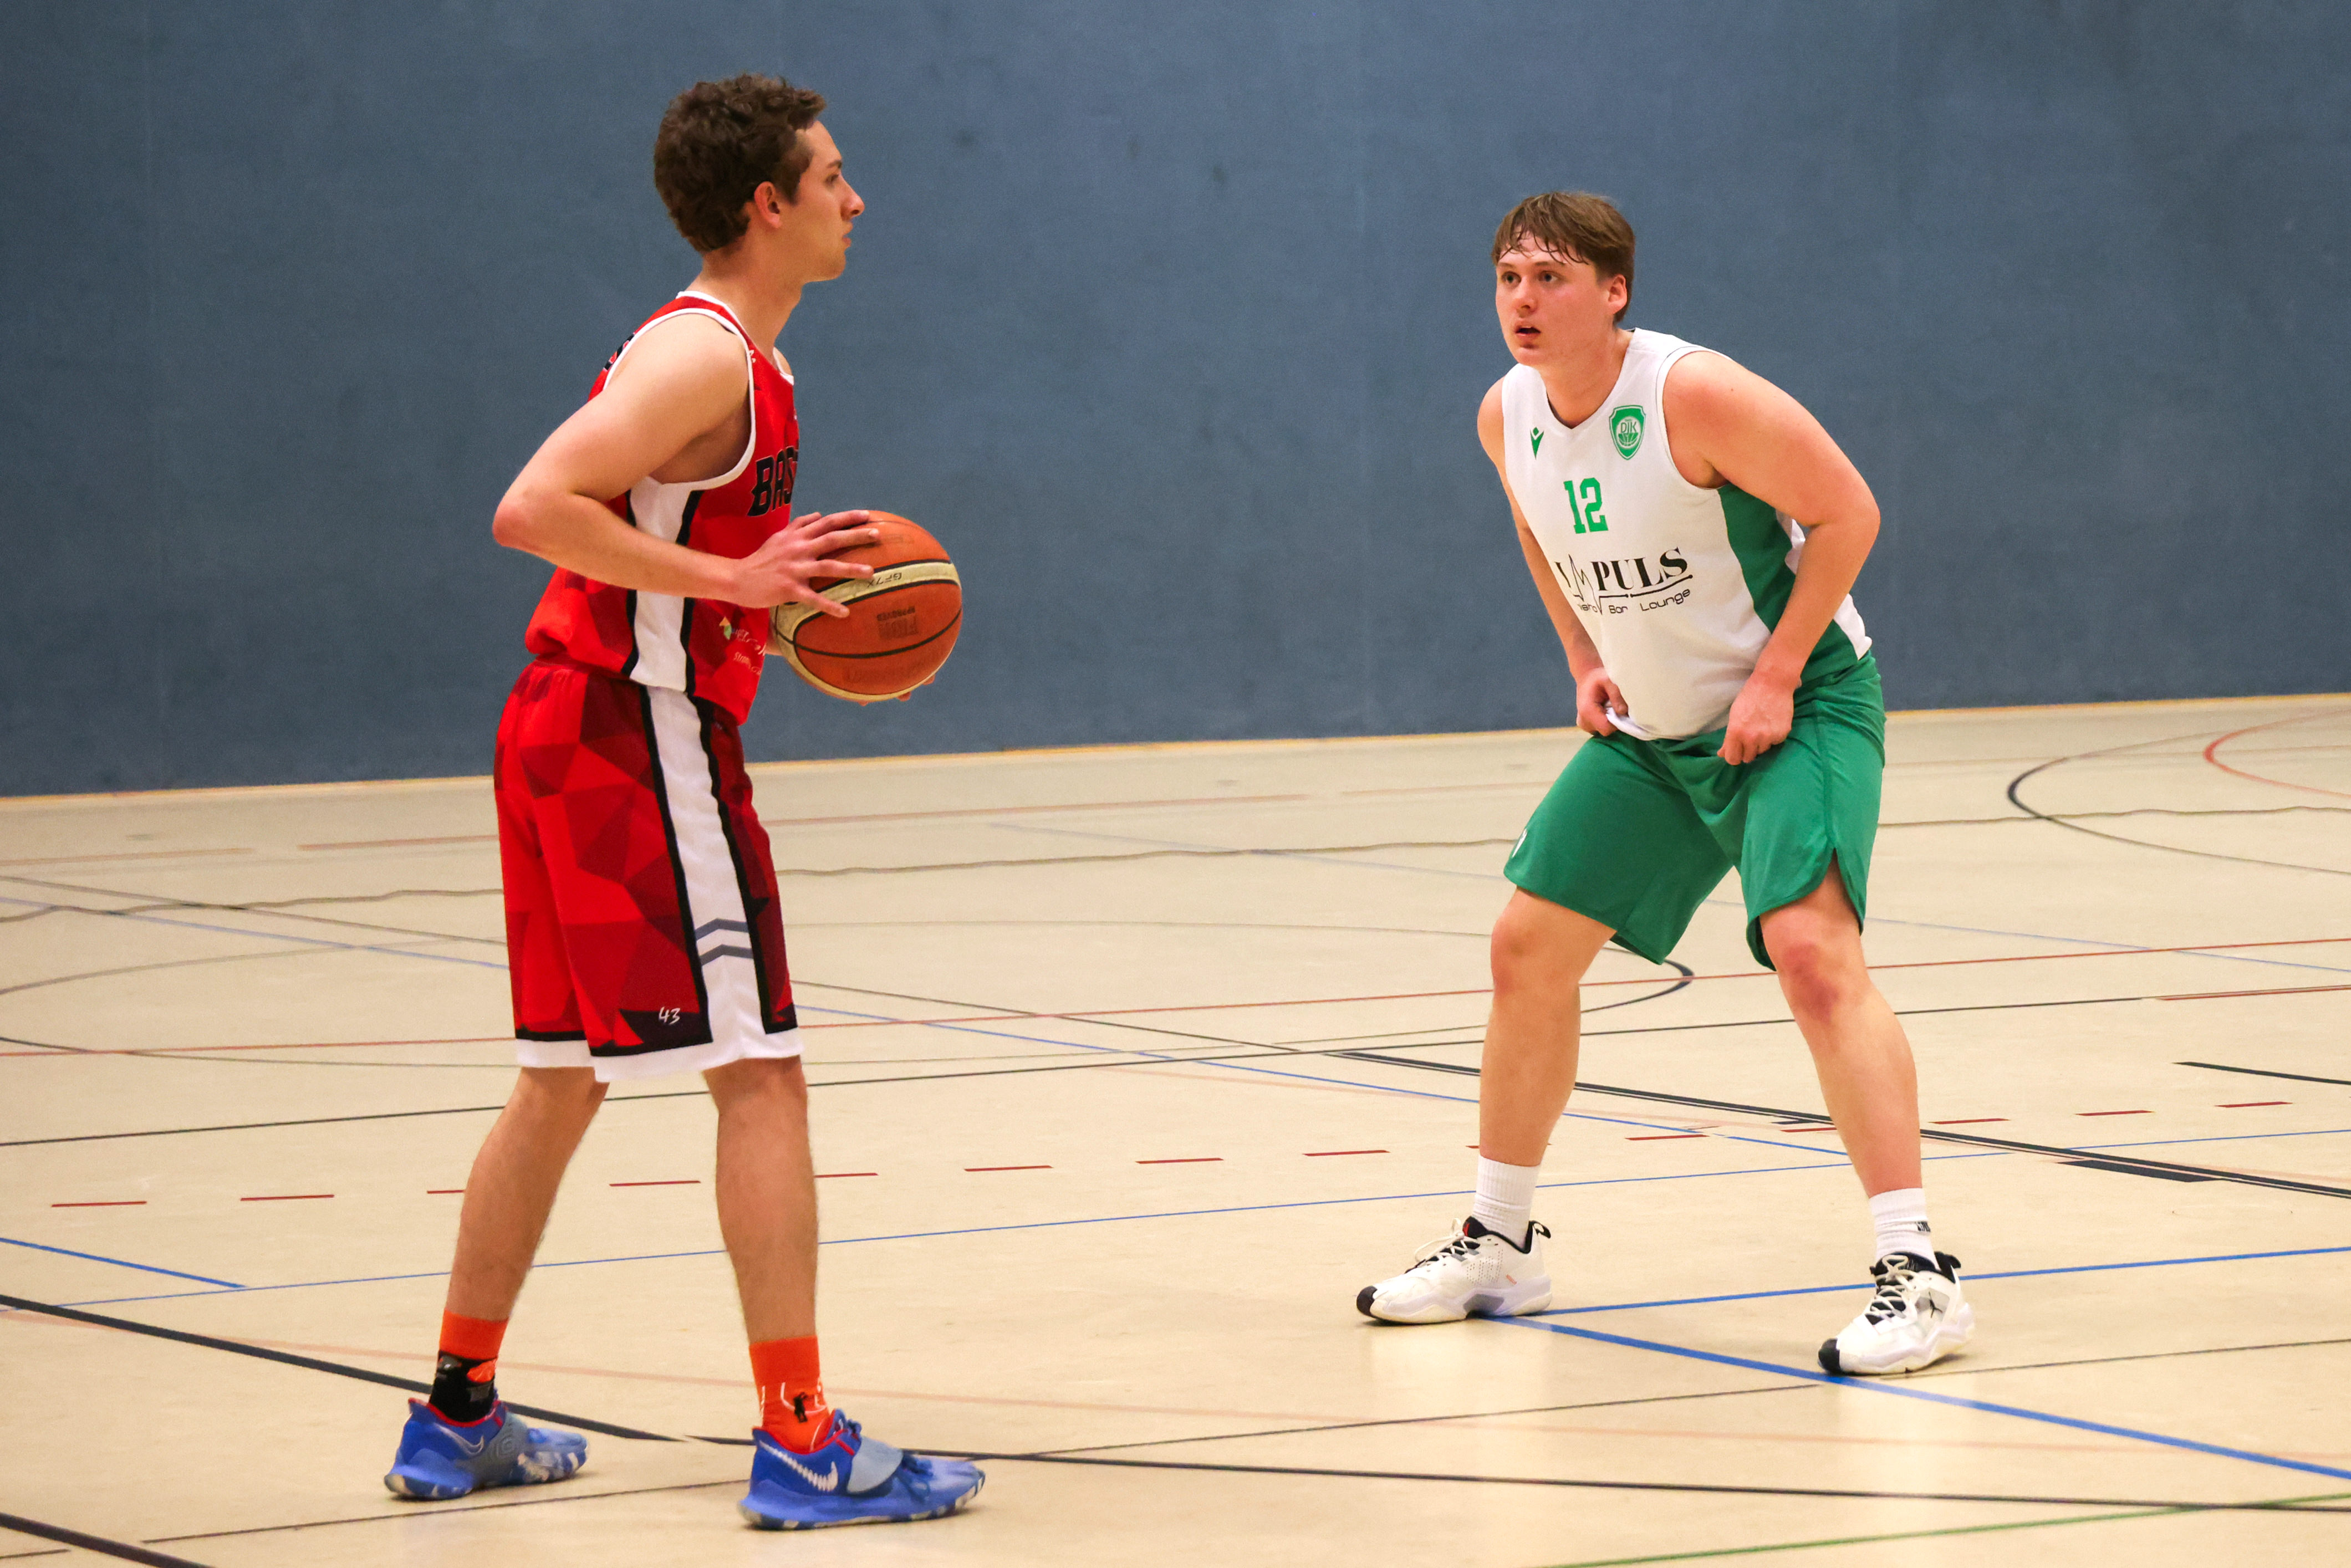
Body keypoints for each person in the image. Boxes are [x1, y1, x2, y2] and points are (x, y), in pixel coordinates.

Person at [381, 73, 984, 1527]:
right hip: (636, 733)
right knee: (760, 1070)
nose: (856, 197)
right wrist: (733, 579)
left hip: (570, 724)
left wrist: (746, 584)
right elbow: (532, 505)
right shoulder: (705, 355)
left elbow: (640, 522)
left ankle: (456, 1413)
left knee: (560, 1074)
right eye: (830, 177)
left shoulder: (729, 356)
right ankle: (803, 1438)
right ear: (767, 205)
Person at [1356, 192, 1972, 1376]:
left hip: (1799, 706)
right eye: (1509, 278)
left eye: (1551, 277)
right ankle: (1501, 1243)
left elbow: (1848, 512)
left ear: (1615, 292)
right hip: (1655, 730)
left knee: (1811, 953)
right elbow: (1540, 527)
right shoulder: (1505, 413)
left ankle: (1920, 1273)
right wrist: (1584, 655)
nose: (1523, 300)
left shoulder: (1693, 394)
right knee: (1527, 948)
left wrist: (1776, 674)